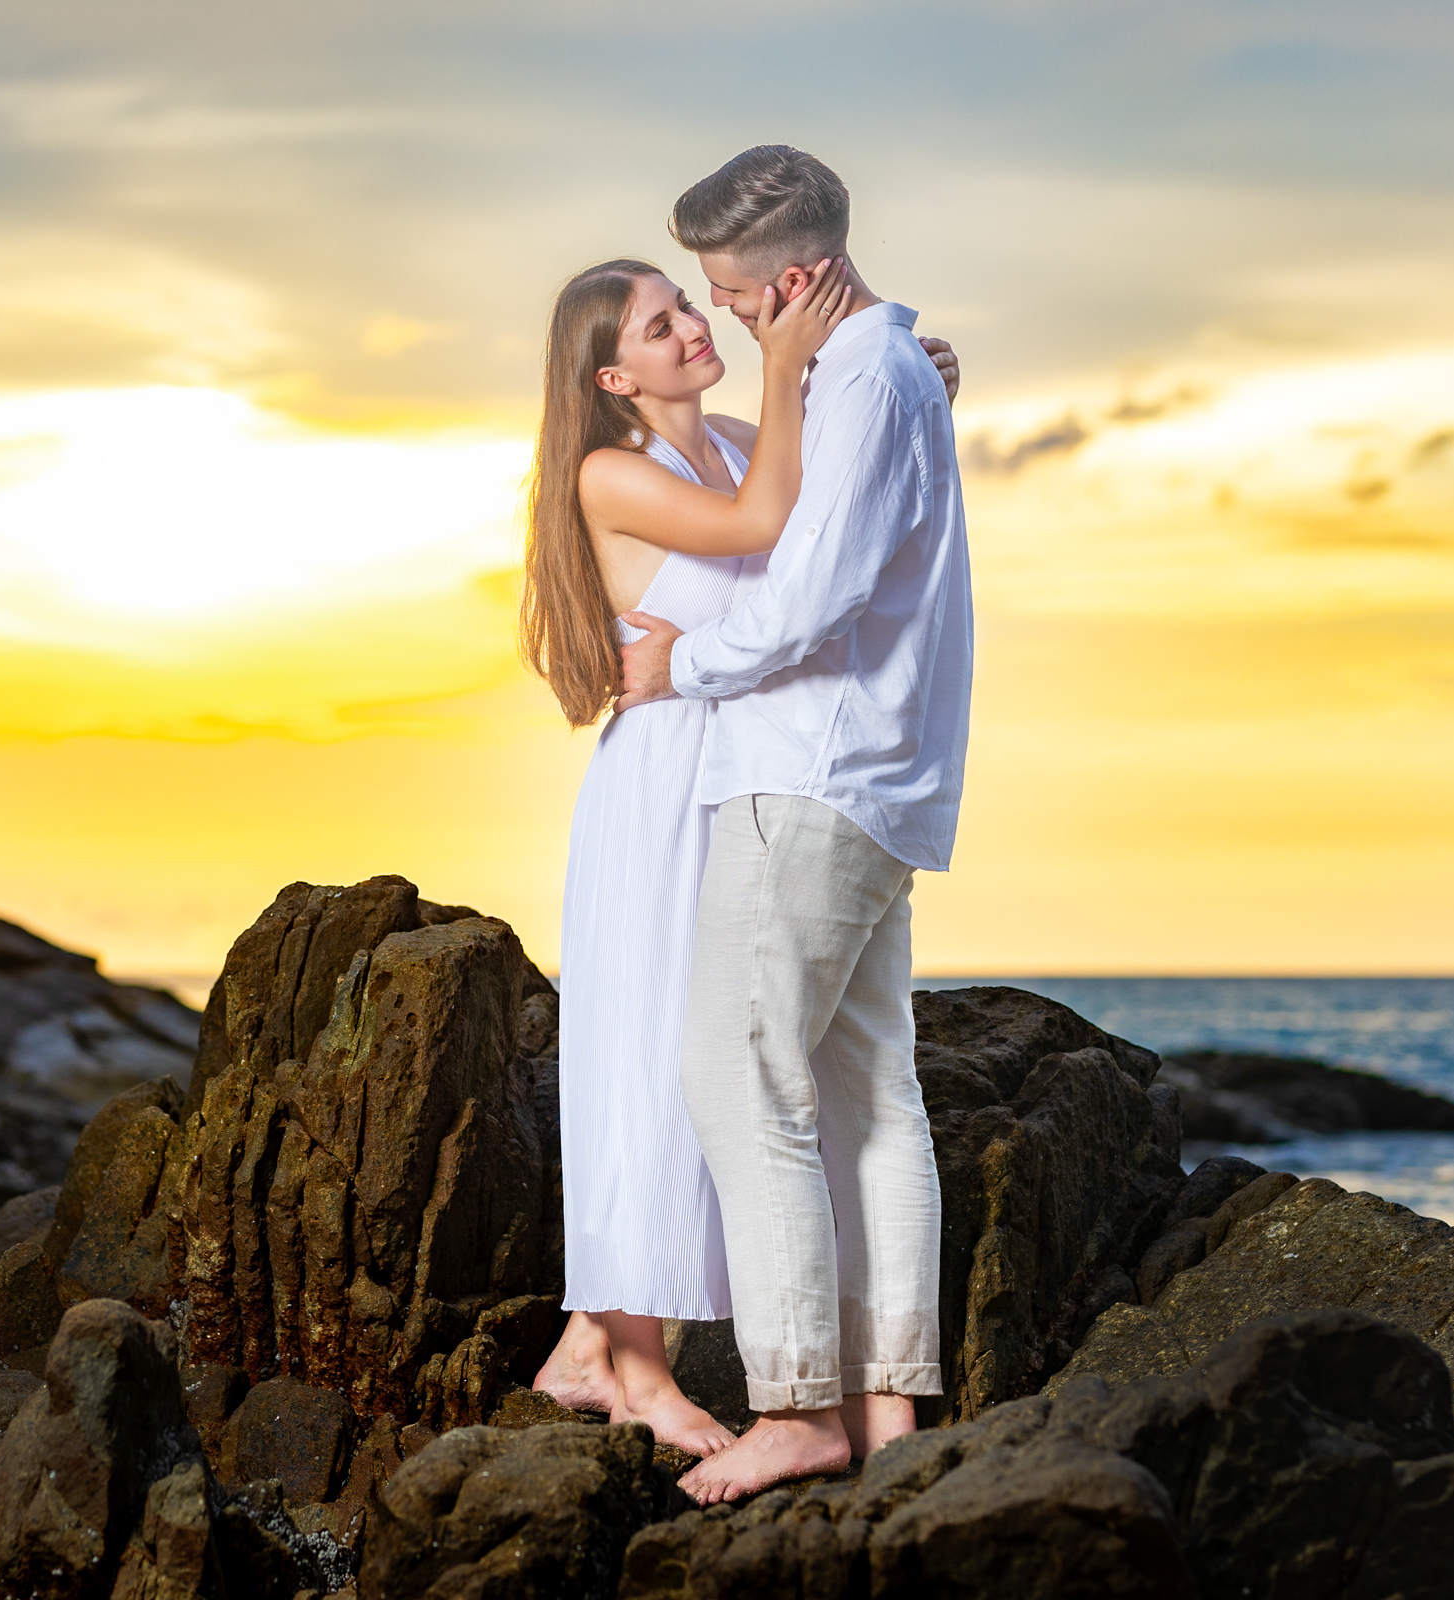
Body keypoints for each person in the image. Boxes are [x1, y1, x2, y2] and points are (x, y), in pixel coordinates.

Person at [518, 245, 959, 1457]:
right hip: (665, 783)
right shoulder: (617, 472)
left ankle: (590, 1340)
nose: (689, 330)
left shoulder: (721, 446)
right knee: (650, 1054)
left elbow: (824, 517)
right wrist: (787, 362)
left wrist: (912, 390)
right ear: (613, 374)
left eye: (684, 309)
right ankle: (639, 1373)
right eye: (660, 328)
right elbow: (770, 520)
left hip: (744, 770)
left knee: (721, 1059)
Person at [613, 145, 974, 1504]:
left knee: (734, 1075)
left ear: (802, 278)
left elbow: (813, 594)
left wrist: (679, 670)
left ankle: (797, 1406)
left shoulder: (871, 382)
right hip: (878, 785)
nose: (731, 318)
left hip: (809, 778)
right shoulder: (889, 378)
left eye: (737, 294)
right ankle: (892, 1417)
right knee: (869, 1099)